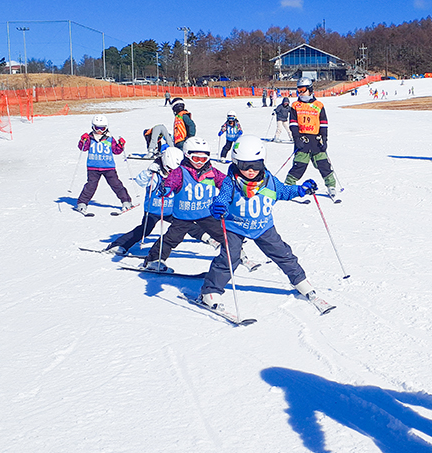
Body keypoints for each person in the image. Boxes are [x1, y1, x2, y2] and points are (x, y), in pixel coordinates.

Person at [198, 135, 321, 310]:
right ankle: (210, 291)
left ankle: (300, 281)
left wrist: (300, 190)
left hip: (263, 227)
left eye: (255, 165)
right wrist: (217, 207)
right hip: (236, 227)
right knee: (229, 259)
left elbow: (284, 191)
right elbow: (222, 199)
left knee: (283, 254)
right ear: (235, 163)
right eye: (244, 165)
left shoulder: (269, 181)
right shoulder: (230, 182)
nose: (250, 171)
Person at [141, 137, 229, 273]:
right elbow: (171, 181)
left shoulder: (212, 172)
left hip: (206, 213)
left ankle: (235, 254)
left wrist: (234, 190)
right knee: (172, 238)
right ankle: (154, 259)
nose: (200, 163)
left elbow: (225, 183)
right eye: (196, 159)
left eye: (203, 159)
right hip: (184, 214)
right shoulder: (180, 171)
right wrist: (166, 189)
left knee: (223, 235)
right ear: (187, 155)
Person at [105, 147, 202, 255]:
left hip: (170, 209)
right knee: (145, 230)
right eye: (170, 170)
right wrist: (149, 172)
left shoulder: (179, 174)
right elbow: (140, 181)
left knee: (186, 224)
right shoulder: (154, 175)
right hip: (153, 210)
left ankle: (209, 238)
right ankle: (118, 245)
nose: (172, 173)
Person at [284, 77, 339, 200]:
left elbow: (323, 123)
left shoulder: (318, 105)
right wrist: (296, 138)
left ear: (310, 89)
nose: (300, 93)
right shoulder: (295, 105)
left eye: (303, 90)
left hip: (316, 141)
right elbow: (293, 124)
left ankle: (331, 186)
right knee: (299, 165)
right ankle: (288, 186)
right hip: (303, 141)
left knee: (324, 165)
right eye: (298, 90)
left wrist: (324, 139)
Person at [75, 115, 131, 214]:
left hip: (108, 167)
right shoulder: (89, 138)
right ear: (93, 127)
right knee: (90, 186)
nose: (99, 131)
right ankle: (82, 203)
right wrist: (82, 140)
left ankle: (126, 201)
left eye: (102, 128)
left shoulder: (109, 138)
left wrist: (121, 145)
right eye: (97, 128)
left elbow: (116, 151)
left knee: (116, 185)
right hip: (93, 167)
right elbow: (83, 148)